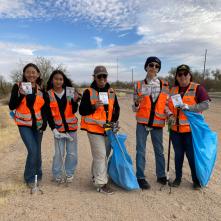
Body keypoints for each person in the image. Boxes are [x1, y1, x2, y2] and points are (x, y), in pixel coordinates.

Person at [168, 64, 210, 189]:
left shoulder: (197, 88)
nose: (182, 76)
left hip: (191, 131)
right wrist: (169, 113)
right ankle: (178, 178)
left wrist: (189, 108)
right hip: (175, 130)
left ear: (189, 75)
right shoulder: (173, 90)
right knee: (178, 155)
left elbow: (205, 105)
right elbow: (166, 105)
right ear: (176, 76)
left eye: (185, 74)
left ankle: (196, 180)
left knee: (192, 156)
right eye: (179, 74)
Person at [79, 65, 120, 194]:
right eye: (99, 76)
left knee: (103, 155)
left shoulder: (111, 92)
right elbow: (82, 111)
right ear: (94, 77)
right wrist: (93, 107)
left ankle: (95, 175)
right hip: (93, 129)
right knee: (101, 156)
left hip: (107, 128)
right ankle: (101, 184)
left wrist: (113, 123)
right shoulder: (88, 92)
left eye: (104, 76)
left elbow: (116, 109)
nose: (102, 79)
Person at [133, 56, 170, 189]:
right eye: (151, 65)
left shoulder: (165, 85)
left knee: (159, 150)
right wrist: (137, 102)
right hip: (142, 123)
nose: (153, 68)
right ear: (146, 67)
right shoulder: (138, 85)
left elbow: (166, 104)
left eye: (156, 66)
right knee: (141, 150)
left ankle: (161, 175)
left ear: (158, 69)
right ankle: (140, 177)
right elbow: (135, 108)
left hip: (157, 123)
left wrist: (169, 114)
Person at [9, 63, 47, 188]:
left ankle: (38, 174)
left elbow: (45, 108)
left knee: (38, 151)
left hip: (38, 124)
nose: (31, 74)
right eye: (28, 72)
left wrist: (44, 123)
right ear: (24, 74)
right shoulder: (18, 86)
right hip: (23, 124)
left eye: (33, 72)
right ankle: (29, 178)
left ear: (38, 74)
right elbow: (11, 106)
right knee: (33, 150)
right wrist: (21, 95)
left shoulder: (41, 88)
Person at [46, 70, 81, 184]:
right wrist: (53, 129)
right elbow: (48, 115)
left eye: (61, 79)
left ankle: (69, 173)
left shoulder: (69, 91)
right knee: (59, 154)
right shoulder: (48, 94)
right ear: (52, 80)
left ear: (63, 80)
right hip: (58, 130)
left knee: (72, 153)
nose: (58, 81)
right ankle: (57, 174)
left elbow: (74, 110)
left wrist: (75, 101)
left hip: (71, 128)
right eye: (56, 79)